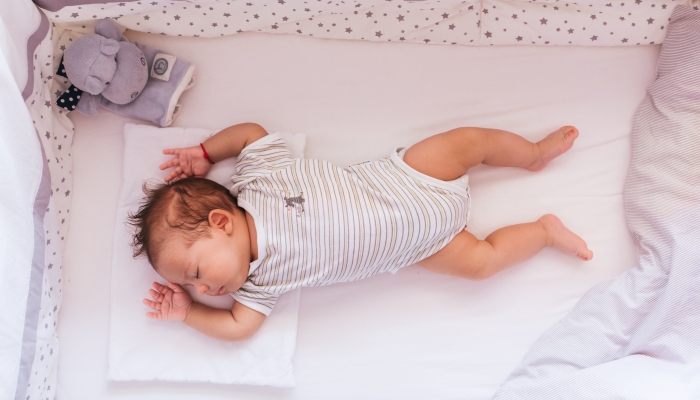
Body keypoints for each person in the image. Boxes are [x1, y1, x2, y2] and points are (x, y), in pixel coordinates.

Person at [129, 122, 593, 341]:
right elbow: (238, 327)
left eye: (194, 271)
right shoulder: (260, 283)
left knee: (468, 142)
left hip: (411, 178)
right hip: (422, 246)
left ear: (220, 222)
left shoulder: (259, 182)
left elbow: (251, 133)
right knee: (482, 263)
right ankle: (544, 233)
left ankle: (531, 153)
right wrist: (187, 313)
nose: (204, 287)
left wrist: (207, 152)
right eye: (192, 286)